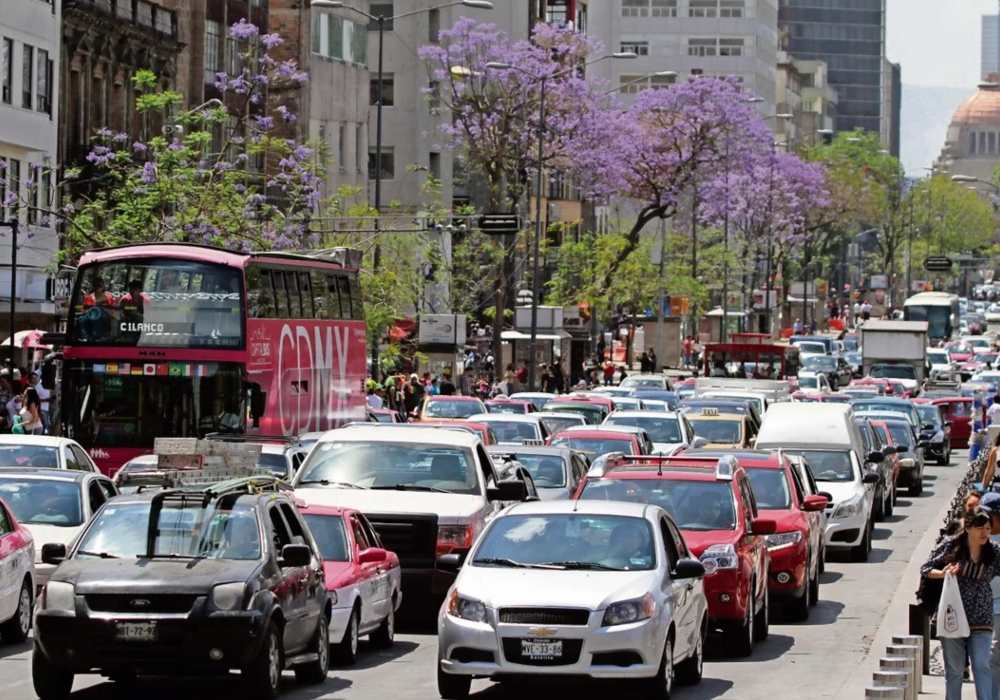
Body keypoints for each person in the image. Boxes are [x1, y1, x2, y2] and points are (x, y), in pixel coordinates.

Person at [922, 506, 1000, 700]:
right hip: (953, 614)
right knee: (955, 670)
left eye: (988, 528)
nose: (985, 533)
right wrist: (942, 574)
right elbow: (926, 568)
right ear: (968, 527)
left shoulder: (994, 551)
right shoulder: (951, 545)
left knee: (982, 664)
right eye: (981, 528)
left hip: (981, 614)